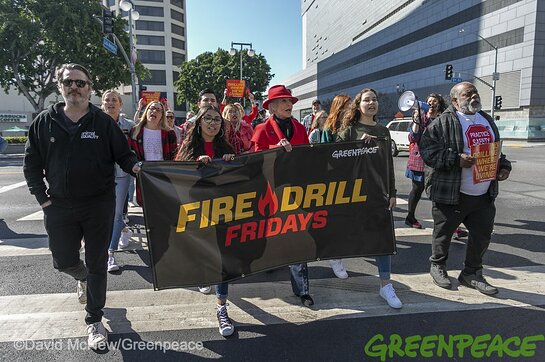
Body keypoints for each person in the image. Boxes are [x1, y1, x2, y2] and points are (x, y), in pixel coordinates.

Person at [23, 63, 140, 349]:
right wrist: (44, 200)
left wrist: (136, 167)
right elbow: (31, 165)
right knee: (63, 261)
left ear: (90, 88)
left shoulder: (103, 122)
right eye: (69, 83)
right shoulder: (44, 122)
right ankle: (83, 277)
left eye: (80, 83)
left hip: (99, 204)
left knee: (98, 263)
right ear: (60, 87)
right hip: (59, 206)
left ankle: (94, 320)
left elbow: (123, 155)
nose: (74, 87)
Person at [420, 81, 511, 295]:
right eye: (468, 94)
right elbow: (427, 151)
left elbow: (495, 151)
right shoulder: (443, 122)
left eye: (475, 93)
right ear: (454, 100)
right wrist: (455, 159)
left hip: (483, 194)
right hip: (453, 193)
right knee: (443, 234)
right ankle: (438, 266)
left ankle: (472, 273)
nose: (473, 97)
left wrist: (503, 167)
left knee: (482, 235)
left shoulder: (487, 120)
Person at [336, 88, 402, 309]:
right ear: (358, 105)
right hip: (353, 193)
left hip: (378, 193)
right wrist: (357, 146)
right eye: (367, 100)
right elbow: (334, 161)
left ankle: (385, 284)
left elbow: (388, 166)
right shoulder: (348, 131)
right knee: (346, 233)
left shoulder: (384, 131)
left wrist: (392, 193)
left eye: (375, 99)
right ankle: (336, 256)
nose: (372, 102)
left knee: (382, 238)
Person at [175, 105, 236, 336]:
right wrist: (194, 164)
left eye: (217, 120)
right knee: (204, 252)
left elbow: (238, 177)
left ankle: (221, 307)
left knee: (222, 258)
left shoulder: (226, 147)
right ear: (199, 123)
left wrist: (230, 161)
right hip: (197, 210)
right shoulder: (189, 147)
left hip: (222, 210)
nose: (212, 123)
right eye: (208, 119)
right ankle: (203, 274)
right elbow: (178, 175)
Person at [251, 84, 314, 307]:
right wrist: (274, 149)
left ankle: (302, 290)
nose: (289, 105)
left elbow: (307, 156)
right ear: (273, 107)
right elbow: (255, 162)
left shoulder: (300, 128)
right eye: (285, 101)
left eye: (290, 101)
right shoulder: (261, 129)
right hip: (270, 193)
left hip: (295, 192)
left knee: (298, 238)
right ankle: (269, 261)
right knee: (271, 234)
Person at [315, 94, 352, 278]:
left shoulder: (355, 124)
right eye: (347, 105)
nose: (350, 108)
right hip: (334, 179)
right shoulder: (329, 127)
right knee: (334, 219)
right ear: (339, 107)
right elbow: (323, 155)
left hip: (353, 179)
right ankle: (334, 257)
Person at [100, 90, 136, 272]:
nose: (110, 103)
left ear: (121, 104)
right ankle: (123, 229)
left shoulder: (129, 126)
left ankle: (110, 254)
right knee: (102, 213)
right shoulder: (95, 122)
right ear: (102, 103)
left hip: (121, 174)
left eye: (114, 100)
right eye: (107, 100)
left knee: (115, 214)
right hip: (98, 175)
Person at [127, 101, 178, 206]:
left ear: (162, 115)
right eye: (152, 108)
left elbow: (175, 156)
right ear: (146, 111)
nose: (154, 111)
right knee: (147, 206)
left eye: (158, 110)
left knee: (164, 206)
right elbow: (130, 154)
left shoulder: (169, 133)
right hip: (144, 175)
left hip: (163, 175)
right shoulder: (135, 131)